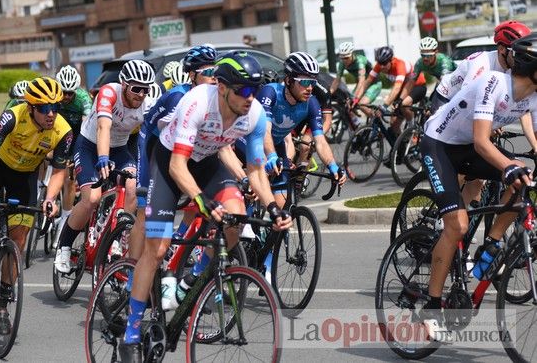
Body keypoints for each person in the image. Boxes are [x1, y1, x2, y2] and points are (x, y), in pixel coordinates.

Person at [119, 51, 292, 361]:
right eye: (244, 90)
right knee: (156, 250)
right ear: (222, 88)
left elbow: (254, 170)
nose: (250, 98)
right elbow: (177, 167)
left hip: (208, 163)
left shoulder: (253, 115)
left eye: (255, 90)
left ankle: (188, 284)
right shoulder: (197, 102)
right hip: (170, 163)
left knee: (234, 220)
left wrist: (273, 208)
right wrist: (201, 200)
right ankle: (131, 330)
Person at [418, 33, 537, 341]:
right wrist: (507, 166)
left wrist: (516, 167)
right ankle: (431, 307)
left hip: (467, 146)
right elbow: (483, 142)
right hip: (440, 145)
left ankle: (492, 243)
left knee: (523, 177)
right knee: (456, 225)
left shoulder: (532, 96)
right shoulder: (494, 84)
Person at [0, 77, 71, 334]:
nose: (51, 113)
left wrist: (49, 200)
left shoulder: (63, 131)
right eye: (44, 108)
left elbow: (58, 171)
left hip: (25, 177)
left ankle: (1, 302)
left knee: (18, 241)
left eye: (55, 107)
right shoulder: (12, 116)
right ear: (31, 107)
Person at [55, 60, 155, 274]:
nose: (141, 94)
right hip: (90, 146)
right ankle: (64, 246)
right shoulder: (109, 93)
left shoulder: (148, 103)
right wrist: (102, 158)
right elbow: (103, 127)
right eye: (136, 88)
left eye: (145, 89)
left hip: (119, 149)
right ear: (124, 84)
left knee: (132, 187)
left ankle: (117, 237)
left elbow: (151, 138)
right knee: (91, 199)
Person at [137, 45, 219, 249]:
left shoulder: (215, 97)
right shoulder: (178, 97)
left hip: (182, 151)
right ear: (192, 75)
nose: (214, 77)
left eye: (216, 72)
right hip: (154, 144)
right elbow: (153, 130)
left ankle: (178, 245)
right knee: (143, 212)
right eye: (208, 72)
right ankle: (132, 272)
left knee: (197, 203)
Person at [250, 51, 346, 208]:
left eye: (312, 83)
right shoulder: (270, 93)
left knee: (283, 208)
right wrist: (272, 156)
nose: (310, 88)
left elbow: (320, 141)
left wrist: (333, 167)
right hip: (250, 143)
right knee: (249, 196)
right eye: (304, 82)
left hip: (276, 144)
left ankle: (278, 231)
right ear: (288, 80)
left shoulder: (312, 103)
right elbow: (264, 131)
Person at [353, 46, 426, 144]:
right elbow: (367, 82)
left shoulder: (400, 65)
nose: (381, 66)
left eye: (384, 63)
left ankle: (412, 129)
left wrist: (384, 106)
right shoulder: (379, 65)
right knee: (393, 123)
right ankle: (402, 147)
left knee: (404, 104)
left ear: (391, 60)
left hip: (418, 86)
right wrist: (356, 99)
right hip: (403, 89)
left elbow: (396, 88)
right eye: (379, 63)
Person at [55, 65, 92, 221]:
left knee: (69, 178)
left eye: (70, 93)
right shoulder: (54, 95)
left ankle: (65, 217)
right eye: (64, 93)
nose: (67, 97)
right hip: (58, 132)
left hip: (77, 134)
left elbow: (86, 129)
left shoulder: (83, 99)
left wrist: (77, 153)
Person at [406, 36, 456, 113]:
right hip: (440, 80)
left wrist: (430, 102)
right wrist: (401, 99)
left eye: (429, 55)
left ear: (436, 52)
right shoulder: (420, 62)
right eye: (423, 55)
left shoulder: (444, 62)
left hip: (454, 82)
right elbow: (411, 81)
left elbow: (442, 85)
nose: (425, 58)